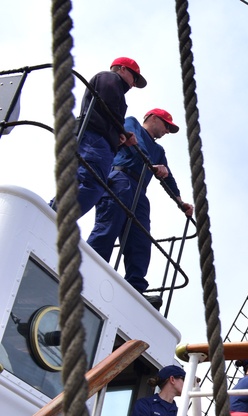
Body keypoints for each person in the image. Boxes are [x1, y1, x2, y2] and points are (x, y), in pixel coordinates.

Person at [87, 108, 193, 306]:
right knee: (107, 229)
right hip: (120, 179)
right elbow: (134, 142)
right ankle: (88, 270)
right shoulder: (132, 122)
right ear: (152, 118)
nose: (167, 131)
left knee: (141, 240)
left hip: (139, 191)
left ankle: (135, 290)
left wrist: (180, 202)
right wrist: (151, 165)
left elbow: (168, 177)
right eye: (166, 125)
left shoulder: (159, 151)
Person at [65, 57, 146, 216]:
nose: (134, 83)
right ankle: (56, 216)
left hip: (99, 142)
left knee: (85, 183)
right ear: (122, 69)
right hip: (94, 139)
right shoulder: (109, 78)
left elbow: (106, 111)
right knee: (91, 184)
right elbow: (107, 104)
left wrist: (119, 137)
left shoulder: (114, 85)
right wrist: (121, 131)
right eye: (134, 77)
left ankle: (50, 215)